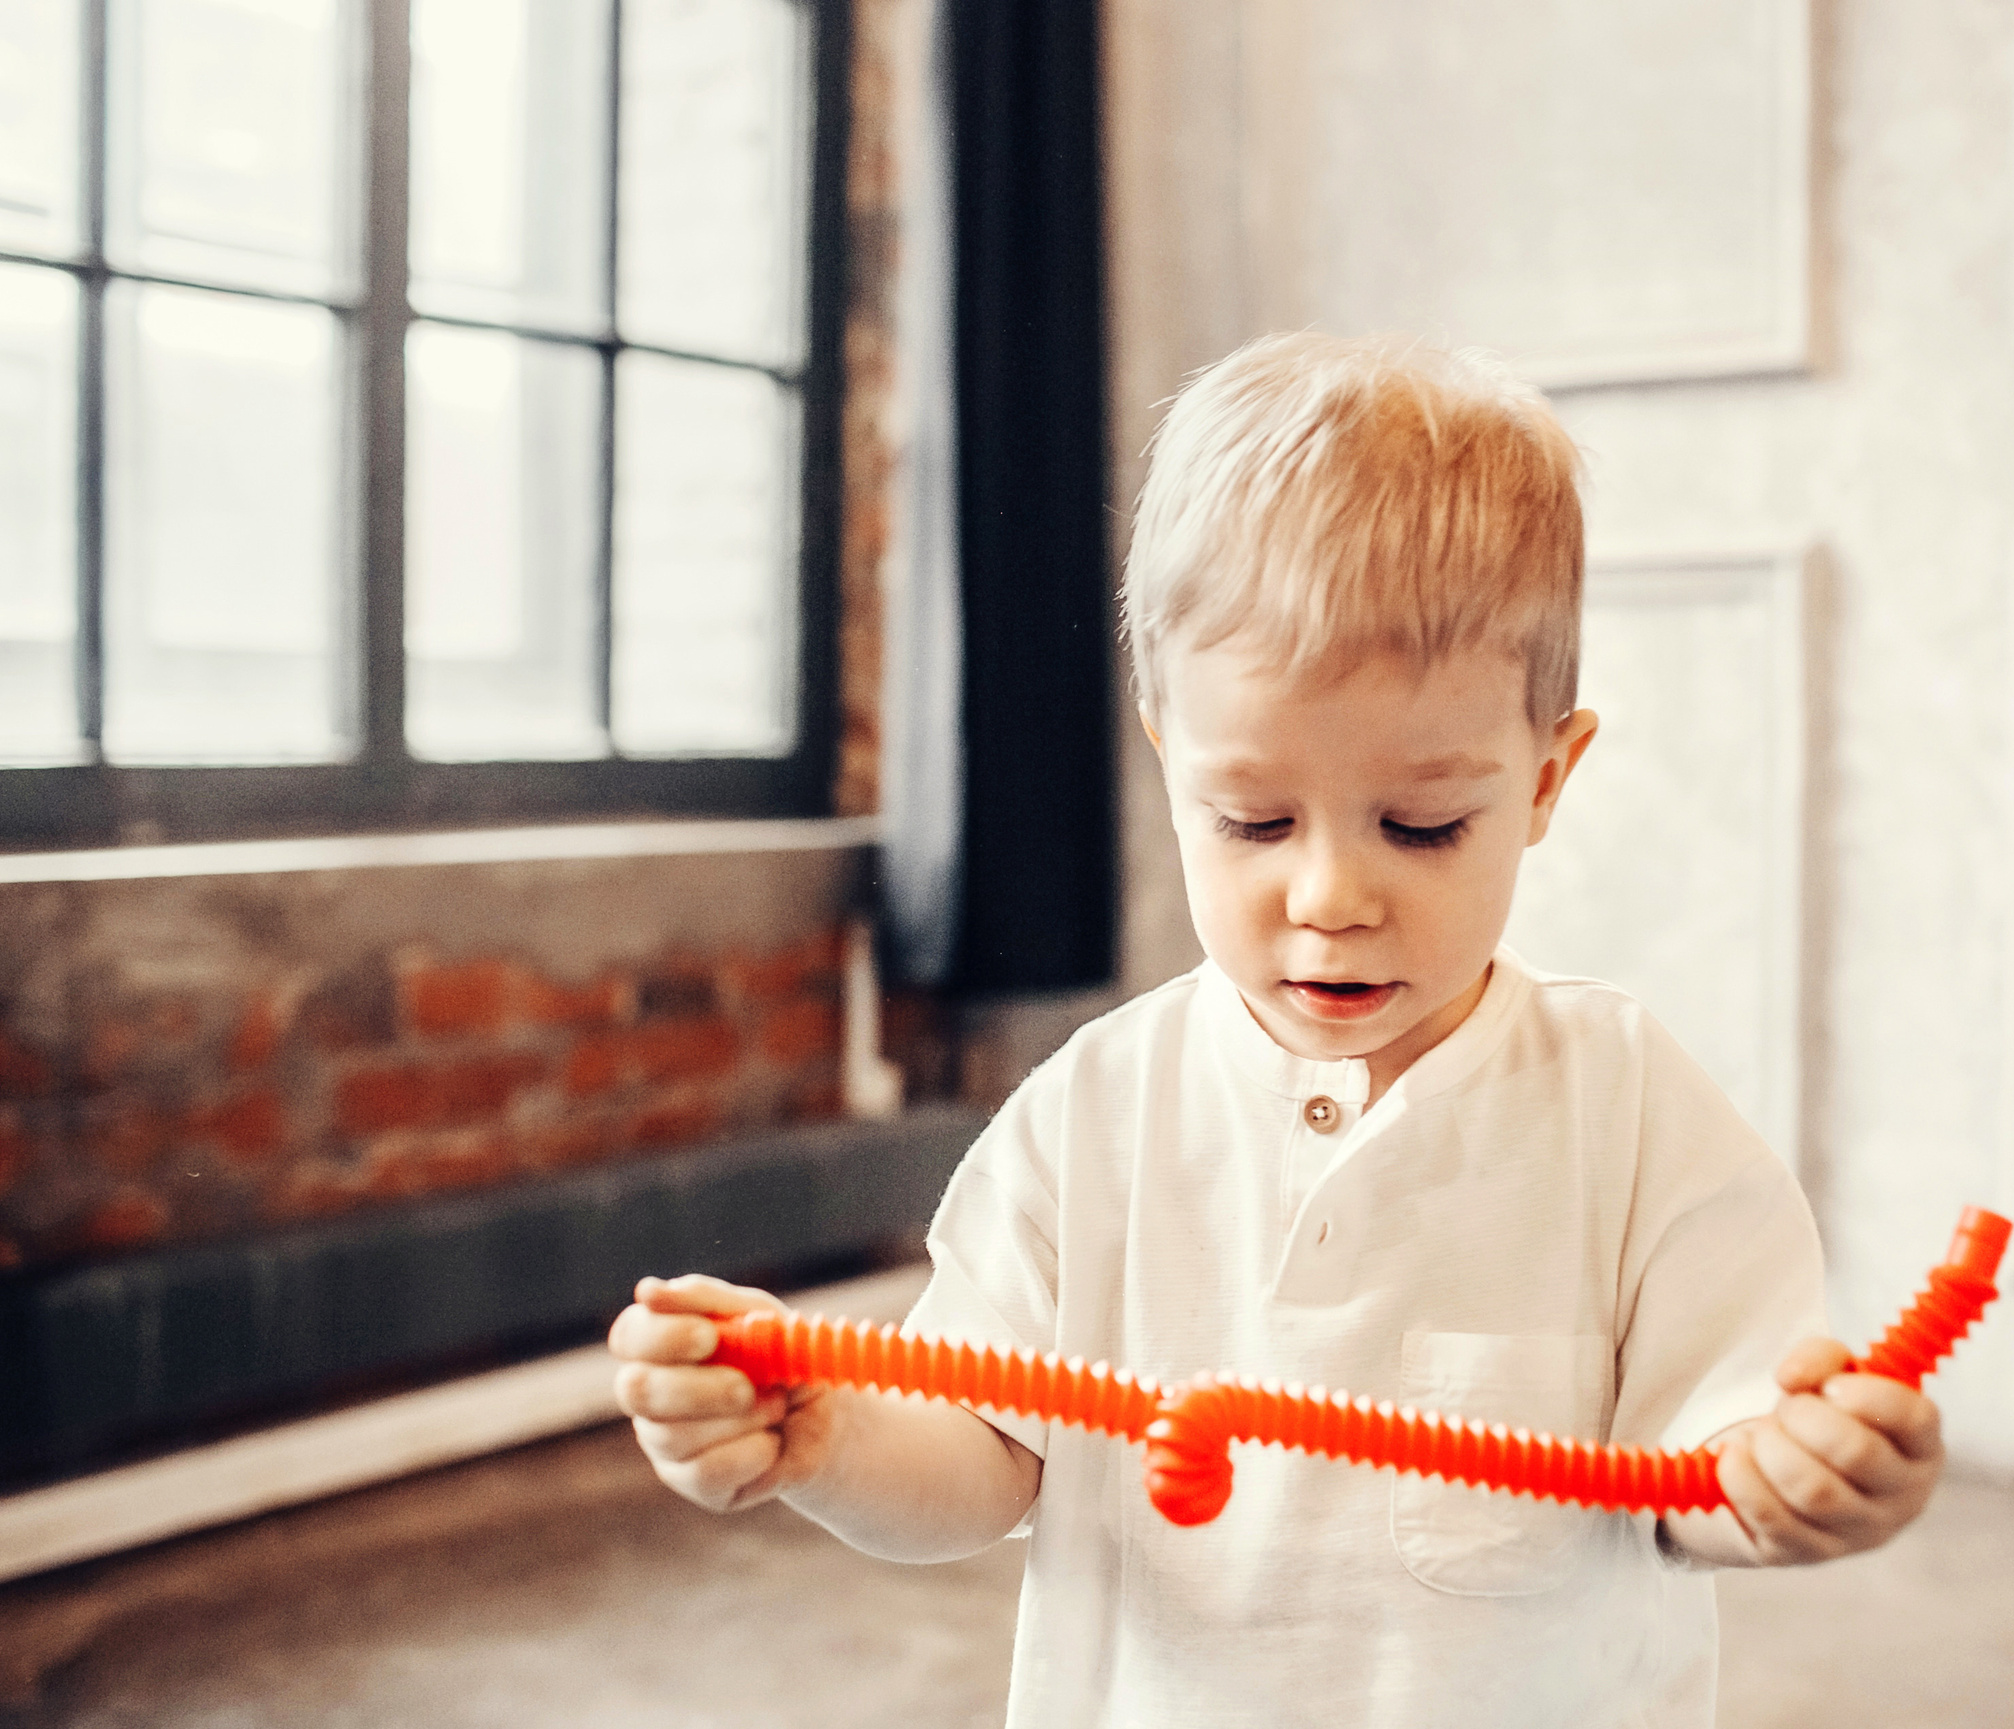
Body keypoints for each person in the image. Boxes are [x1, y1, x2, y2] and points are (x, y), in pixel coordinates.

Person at [608, 332, 1944, 1725]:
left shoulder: (1628, 1111)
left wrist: (1798, 1480)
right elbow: (982, 1456)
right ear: (1166, 753)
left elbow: (1713, 1460)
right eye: (1252, 820)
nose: (1330, 897)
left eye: (1423, 825)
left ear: (1548, 779)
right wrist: (822, 1439)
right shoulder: (1093, 1114)